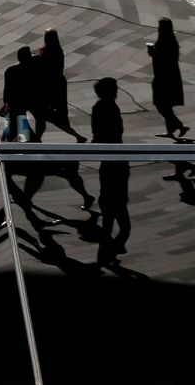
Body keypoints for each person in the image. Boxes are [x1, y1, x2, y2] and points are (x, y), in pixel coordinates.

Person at [91, 77, 130, 266]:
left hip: (109, 165)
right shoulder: (110, 109)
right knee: (123, 224)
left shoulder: (99, 108)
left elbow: (97, 135)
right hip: (117, 163)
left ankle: (105, 255)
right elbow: (110, 134)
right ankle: (109, 253)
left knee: (109, 221)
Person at [32, 28, 87, 143]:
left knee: (44, 116)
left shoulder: (47, 51)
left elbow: (44, 67)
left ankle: (37, 139)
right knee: (47, 116)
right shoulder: (58, 50)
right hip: (57, 84)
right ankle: (37, 139)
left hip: (48, 86)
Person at [148, 17, 189, 138]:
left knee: (161, 103)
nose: (158, 28)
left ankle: (179, 126)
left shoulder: (168, 40)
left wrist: (154, 53)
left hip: (165, 77)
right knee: (165, 104)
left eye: (160, 26)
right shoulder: (166, 39)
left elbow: (167, 59)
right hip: (166, 76)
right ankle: (171, 131)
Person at [2, 46, 35, 141]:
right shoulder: (28, 73)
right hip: (20, 112)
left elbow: (6, 90)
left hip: (11, 111)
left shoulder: (10, 71)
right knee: (27, 139)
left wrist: (6, 103)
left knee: (11, 133)